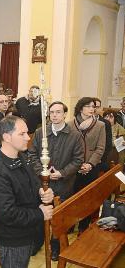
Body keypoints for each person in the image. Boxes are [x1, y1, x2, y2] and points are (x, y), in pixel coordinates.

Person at [0, 116, 54, 268]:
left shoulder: (21, 156)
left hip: (27, 229)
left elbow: (32, 183)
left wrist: (42, 192)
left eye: (27, 133)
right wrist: (40, 214)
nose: (28, 138)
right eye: (22, 134)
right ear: (7, 137)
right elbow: (7, 213)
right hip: (12, 237)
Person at [28, 101, 84, 261]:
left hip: (63, 183)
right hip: (42, 182)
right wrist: (42, 172)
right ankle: (37, 242)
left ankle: (55, 247)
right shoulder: (40, 132)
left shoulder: (75, 135)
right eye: (52, 112)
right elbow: (32, 155)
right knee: (40, 213)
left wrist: (61, 173)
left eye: (58, 112)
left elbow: (78, 159)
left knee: (58, 218)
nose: (54, 115)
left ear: (65, 114)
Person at [68, 97, 105, 233]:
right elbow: (67, 148)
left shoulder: (100, 125)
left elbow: (100, 148)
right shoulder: (70, 124)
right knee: (72, 197)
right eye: (88, 106)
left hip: (91, 168)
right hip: (73, 168)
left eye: (93, 107)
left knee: (87, 198)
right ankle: (70, 225)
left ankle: (84, 226)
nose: (92, 109)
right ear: (80, 108)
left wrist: (90, 163)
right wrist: (76, 164)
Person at [94, 97, 113, 172]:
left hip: (100, 159)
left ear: (101, 108)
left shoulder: (106, 123)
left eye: (97, 107)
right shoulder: (84, 122)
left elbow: (108, 143)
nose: (95, 109)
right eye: (93, 107)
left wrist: (99, 158)